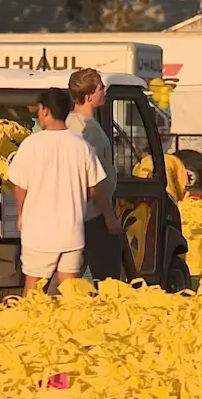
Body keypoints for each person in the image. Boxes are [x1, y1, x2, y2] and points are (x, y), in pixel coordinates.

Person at [7, 88, 107, 295]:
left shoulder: (31, 145)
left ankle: (30, 326)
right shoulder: (82, 146)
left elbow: (20, 187)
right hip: (72, 231)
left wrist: (20, 214)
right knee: (70, 289)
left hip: (39, 231)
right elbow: (94, 187)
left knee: (33, 288)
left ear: (45, 111)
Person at [64, 68, 124, 281]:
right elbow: (92, 179)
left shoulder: (69, 125)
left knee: (69, 274)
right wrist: (109, 216)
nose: (105, 90)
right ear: (89, 96)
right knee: (108, 277)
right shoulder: (87, 129)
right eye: (100, 88)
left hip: (77, 213)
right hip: (93, 213)